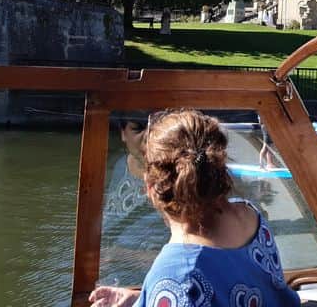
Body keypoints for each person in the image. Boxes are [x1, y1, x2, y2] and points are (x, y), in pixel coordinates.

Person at [89, 109, 301, 307]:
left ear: (150, 188)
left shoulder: (176, 274)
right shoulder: (249, 215)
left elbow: (186, 289)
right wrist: (141, 297)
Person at [100, 115, 170, 288]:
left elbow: (186, 257)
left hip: (156, 288)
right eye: (138, 129)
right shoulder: (119, 166)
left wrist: (121, 256)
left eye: (156, 128)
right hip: (111, 284)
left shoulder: (180, 181)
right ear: (123, 133)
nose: (148, 137)